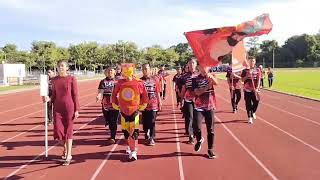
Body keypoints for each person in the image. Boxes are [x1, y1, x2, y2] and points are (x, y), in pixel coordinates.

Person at [45, 60, 80, 166]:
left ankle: (69, 155)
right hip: (58, 108)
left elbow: (75, 95)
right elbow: (54, 95)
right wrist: (48, 99)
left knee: (69, 131)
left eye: (62, 66)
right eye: (59, 66)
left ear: (67, 68)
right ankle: (65, 147)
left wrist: (77, 109)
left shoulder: (71, 79)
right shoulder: (54, 80)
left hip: (69, 107)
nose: (60, 67)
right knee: (59, 133)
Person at [112, 63, 148, 161]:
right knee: (126, 132)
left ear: (133, 70)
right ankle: (130, 146)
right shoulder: (120, 82)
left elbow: (144, 94)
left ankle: (133, 151)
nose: (127, 72)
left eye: (129, 70)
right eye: (125, 70)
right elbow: (114, 93)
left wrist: (144, 103)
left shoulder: (139, 82)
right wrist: (114, 103)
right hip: (123, 111)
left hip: (134, 110)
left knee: (134, 132)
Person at [192, 65, 218, 159]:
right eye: (202, 67)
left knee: (210, 130)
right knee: (197, 127)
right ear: (199, 68)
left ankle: (210, 150)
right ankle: (199, 139)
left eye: (206, 67)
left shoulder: (211, 75)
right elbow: (197, 93)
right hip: (199, 106)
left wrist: (211, 78)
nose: (204, 69)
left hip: (210, 106)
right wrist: (208, 86)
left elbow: (216, 83)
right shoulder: (195, 79)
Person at [96, 66, 119, 144]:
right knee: (108, 120)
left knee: (113, 121)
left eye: (111, 70)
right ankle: (109, 126)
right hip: (105, 104)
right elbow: (100, 91)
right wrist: (98, 96)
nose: (110, 72)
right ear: (106, 72)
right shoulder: (103, 81)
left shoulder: (118, 81)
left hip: (115, 104)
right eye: (108, 71)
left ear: (114, 72)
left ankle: (113, 137)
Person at [140, 63, 162, 146]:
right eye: (144, 69)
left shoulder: (154, 80)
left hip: (153, 104)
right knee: (145, 121)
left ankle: (152, 138)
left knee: (152, 121)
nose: (145, 70)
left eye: (147, 68)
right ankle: (147, 134)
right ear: (142, 70)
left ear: (150, 69)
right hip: (144, 105)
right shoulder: (140, 81)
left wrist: (160, 102)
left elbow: (157, 92)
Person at [180, 58, 198, 144]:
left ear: (196, 64)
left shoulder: (199, 74)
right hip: (188, 99)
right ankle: (191, 136)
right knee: (190, 117)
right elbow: (183, 89)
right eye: (190, 63)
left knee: (196, 118)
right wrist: (181, 100)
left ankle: (193, 132)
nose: (191, 65)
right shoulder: (184, 76)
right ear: (188, 65)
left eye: (193, 63)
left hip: (198, 100)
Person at [241, 57, 261, 124]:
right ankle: (249, 117)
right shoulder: (245, 70)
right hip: (247, 90)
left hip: (255, 89)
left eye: (253, 61)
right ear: (248, 62)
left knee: (257, 101)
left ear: (255, 62)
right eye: (250, 61)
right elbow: (242, 80)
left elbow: (259, 80)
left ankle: (253, 112)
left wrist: (257, 88)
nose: (252, 62)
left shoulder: (258, 70)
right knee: (248, 104)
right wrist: (247, 75)